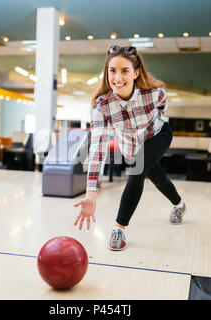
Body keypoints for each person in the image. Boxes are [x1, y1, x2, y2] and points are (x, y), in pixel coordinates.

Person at [74, 45, 185, 251]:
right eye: (112, 71)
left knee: (137, 171)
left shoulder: (154, 94)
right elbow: (98, 147)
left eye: (124, 71)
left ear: (136, 73)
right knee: (157, 177)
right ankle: (179, 205)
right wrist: (91, 194)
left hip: (158, 134)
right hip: (131, 147)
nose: (118, 77)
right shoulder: (101, 106)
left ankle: (119, 229)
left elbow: (162, 108)